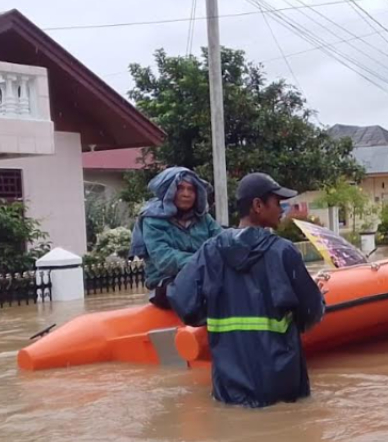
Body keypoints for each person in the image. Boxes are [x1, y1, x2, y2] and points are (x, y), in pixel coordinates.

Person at [169, 173, 326, 408]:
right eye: (277, 202)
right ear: (258, 205)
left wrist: (215, 310)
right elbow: (312, 312)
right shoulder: (284, 252)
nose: (282, 208)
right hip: (280, 385)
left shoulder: (210, 251)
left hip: (228, 386)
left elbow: (182, 301)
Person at [130, 167, 222, 309]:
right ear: (170, 191)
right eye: (180, 188)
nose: (186, 194)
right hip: (166, 284)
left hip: (203, 278)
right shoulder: (152, 219)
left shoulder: (204, 219)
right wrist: (204, 262)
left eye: (191, 189)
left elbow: (222, 243)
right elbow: (165, 259)